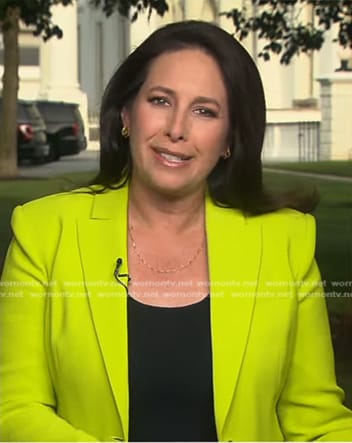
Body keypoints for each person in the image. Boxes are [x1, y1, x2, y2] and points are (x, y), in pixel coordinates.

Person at [0, 20, 351, 442]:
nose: (177, 129)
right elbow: (14, 408)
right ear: (127, 113)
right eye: (161, 100)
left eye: (205, 111)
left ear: (228, 140)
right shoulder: (44, 232)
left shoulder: (284, 243)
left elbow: (316, 423)